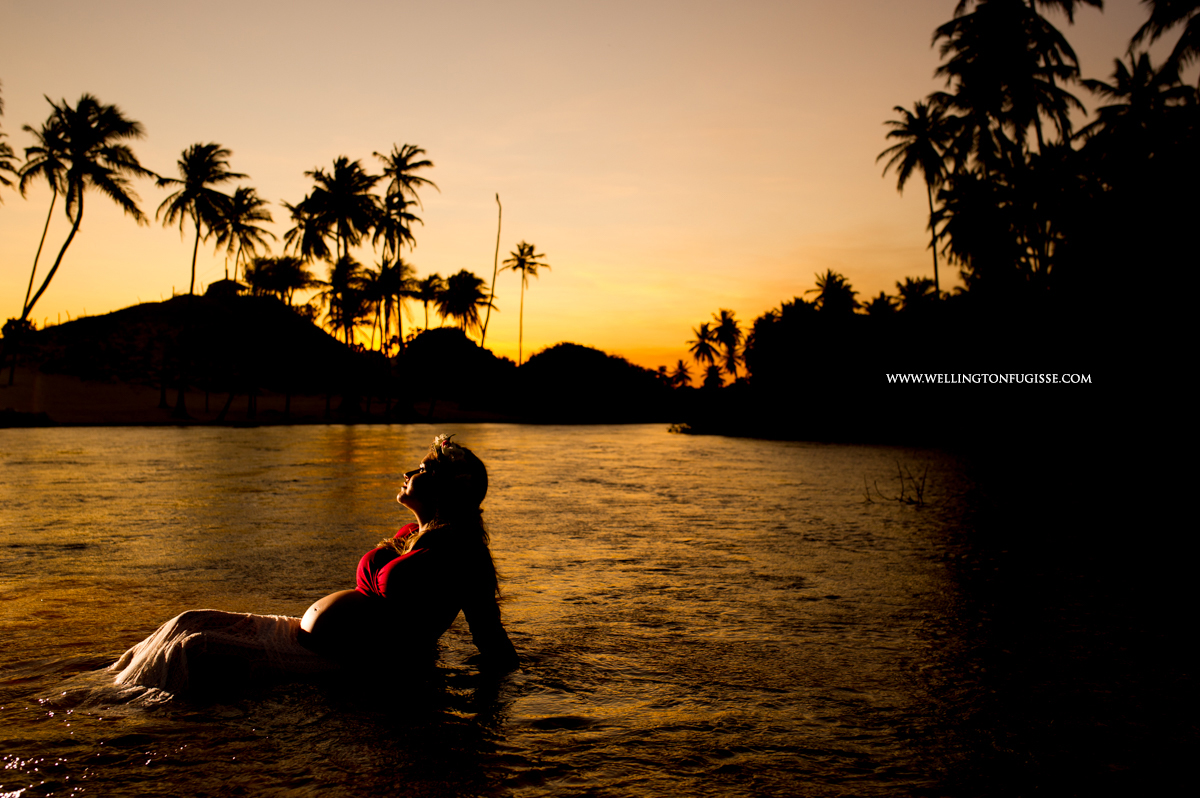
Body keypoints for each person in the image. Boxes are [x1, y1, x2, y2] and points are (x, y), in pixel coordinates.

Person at [109, 434, 518, 697]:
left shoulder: (462, 553)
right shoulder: (410, 534)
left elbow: (490, 637)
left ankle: (117, 717)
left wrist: (499, 708)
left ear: (446, 489)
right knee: (188, 621)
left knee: (194, 650)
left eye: (424, 469)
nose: (408, 472)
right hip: (310, 638)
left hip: (349, 661)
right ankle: (100, 689)